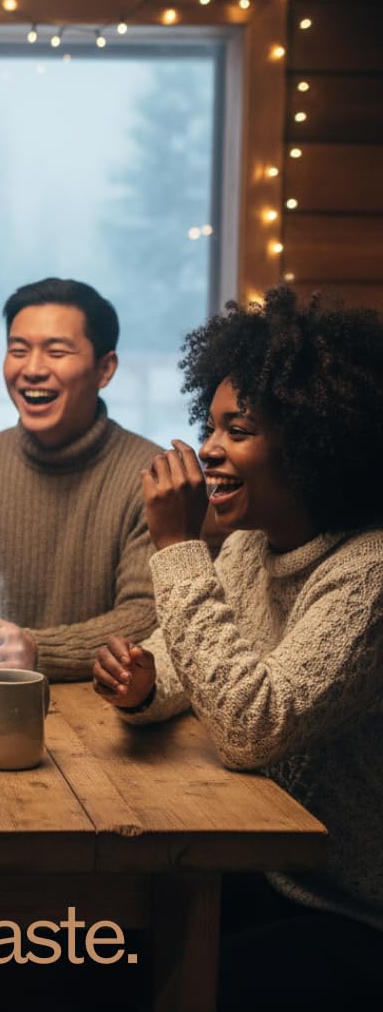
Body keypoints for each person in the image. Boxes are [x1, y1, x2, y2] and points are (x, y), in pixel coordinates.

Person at [92, 288, 383, 1003]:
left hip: (351, 906)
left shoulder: (369, 573)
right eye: (211, 425)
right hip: (267, 870)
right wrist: (146, 681)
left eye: (238, 430)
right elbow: (192, 662)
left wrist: (176, 546)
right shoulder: (254, 544)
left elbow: (251, 725)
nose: (209, 449)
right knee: (98, 943)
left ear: (313, 441)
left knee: (153, 982)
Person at [0, 277, 161, 686]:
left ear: (105, 369)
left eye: (56, 352)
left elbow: (148, 615)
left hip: (104, 709)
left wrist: (39, 651)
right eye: (18, 350)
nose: (32, 369)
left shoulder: (150, 476)